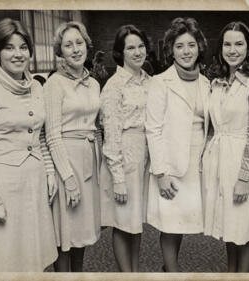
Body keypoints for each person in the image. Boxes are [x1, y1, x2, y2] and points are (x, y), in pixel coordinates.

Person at [0, 18, 57, 271]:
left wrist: (49, 172)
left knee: (33, 257)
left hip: (35, 181)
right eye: (9, 47)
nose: (18, 54)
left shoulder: (37, 88)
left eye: (23, 47)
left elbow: (39, 135)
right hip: (4, 187)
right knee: (5, 259)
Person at [202, 21, 249, 272]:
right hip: (221, 157)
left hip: (243, 161)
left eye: (239, 44)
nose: (233, 50)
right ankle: (231, 272)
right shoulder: (218, 81)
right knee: (230, 224)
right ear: (220, 48)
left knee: (245, 224)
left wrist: (244, 177)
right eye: (227, 44)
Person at [145, 17, 210, 272]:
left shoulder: (206, 83)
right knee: (170, 225)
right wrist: (161, 173)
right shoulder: (160, 82)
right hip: (170, 164)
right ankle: (171, 272)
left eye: (191, 45)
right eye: (179, 46)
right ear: (170, 49)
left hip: (197, 163)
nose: (186, 51)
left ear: (199, 47)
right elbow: (153, 129)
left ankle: (169, 269)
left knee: (182, 223)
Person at [43, 21, 101, 272]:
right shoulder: (55, 83)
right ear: (60, 51)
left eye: (79, 43)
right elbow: (52, 135)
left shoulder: (94, 83)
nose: (76, 49)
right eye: (68, 45)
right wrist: (68, 178)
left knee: (82, 232)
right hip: (67, 161)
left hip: (89, 158)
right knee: (65, 235)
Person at [99, 24, 151, 272]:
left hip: (144, 157)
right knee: (122, 222)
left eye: (140, 46)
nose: (137, 52)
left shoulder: (149, 81)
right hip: (123, 156)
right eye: (131, 48)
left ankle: (135, 270)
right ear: (120, 53)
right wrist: (118, 178)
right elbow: (110, 135)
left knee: (135, 221)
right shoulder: (114, 86)